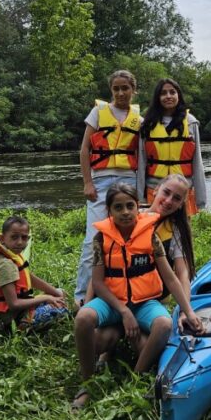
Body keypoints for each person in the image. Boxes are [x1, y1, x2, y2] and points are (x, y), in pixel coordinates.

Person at [72, 183, 203, 408]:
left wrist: (188, 312)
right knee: (84, 319)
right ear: (109, 211)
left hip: (144, 303)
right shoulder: (101, 239)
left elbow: (171, 278)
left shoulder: (151, 237)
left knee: (163, 325)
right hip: (113, 303)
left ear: (137, 208)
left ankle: (136, 376)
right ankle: (88, 383)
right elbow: (97, 281)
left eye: (130, 206)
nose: (125, 212)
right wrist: (121, 311)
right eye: (118, 207)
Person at [75, 70, 142, 307]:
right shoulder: (98, 112)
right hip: (101, 180)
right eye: (116, 88)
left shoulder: (139, 119)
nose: (121, 93)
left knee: (130, 237)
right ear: (111, 90)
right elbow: (85, 150)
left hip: (129, 181)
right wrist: (87, 182)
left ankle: (127, 289)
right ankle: (82, 296)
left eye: (126, 88)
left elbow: (142, 155)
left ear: (134, 89)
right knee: (93, 238)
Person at [0, 215, 68, 330]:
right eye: (14, 237)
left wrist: (55, 293)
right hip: (14, 318)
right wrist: (45, 298)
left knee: (60, 293)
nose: (20, 242)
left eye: (24, 237)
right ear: (2, 238)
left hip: (23, 307)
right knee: (61, 308)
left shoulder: (11, 253)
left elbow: (30, 278)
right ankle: (22, 326)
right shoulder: (4, 265)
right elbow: (14, 304)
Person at [137, 78, 207, 217]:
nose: (168, 96)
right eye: (163, 93)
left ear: (178, 96)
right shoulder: (147, 124)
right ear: (158, 98)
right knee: (155, 232)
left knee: (183, 233)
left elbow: (197, 162)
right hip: (154, 190)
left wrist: (201, 201)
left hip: (183, 190)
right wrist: (140, 198)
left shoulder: (190, 122)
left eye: (172, 92)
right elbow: (141, 163)